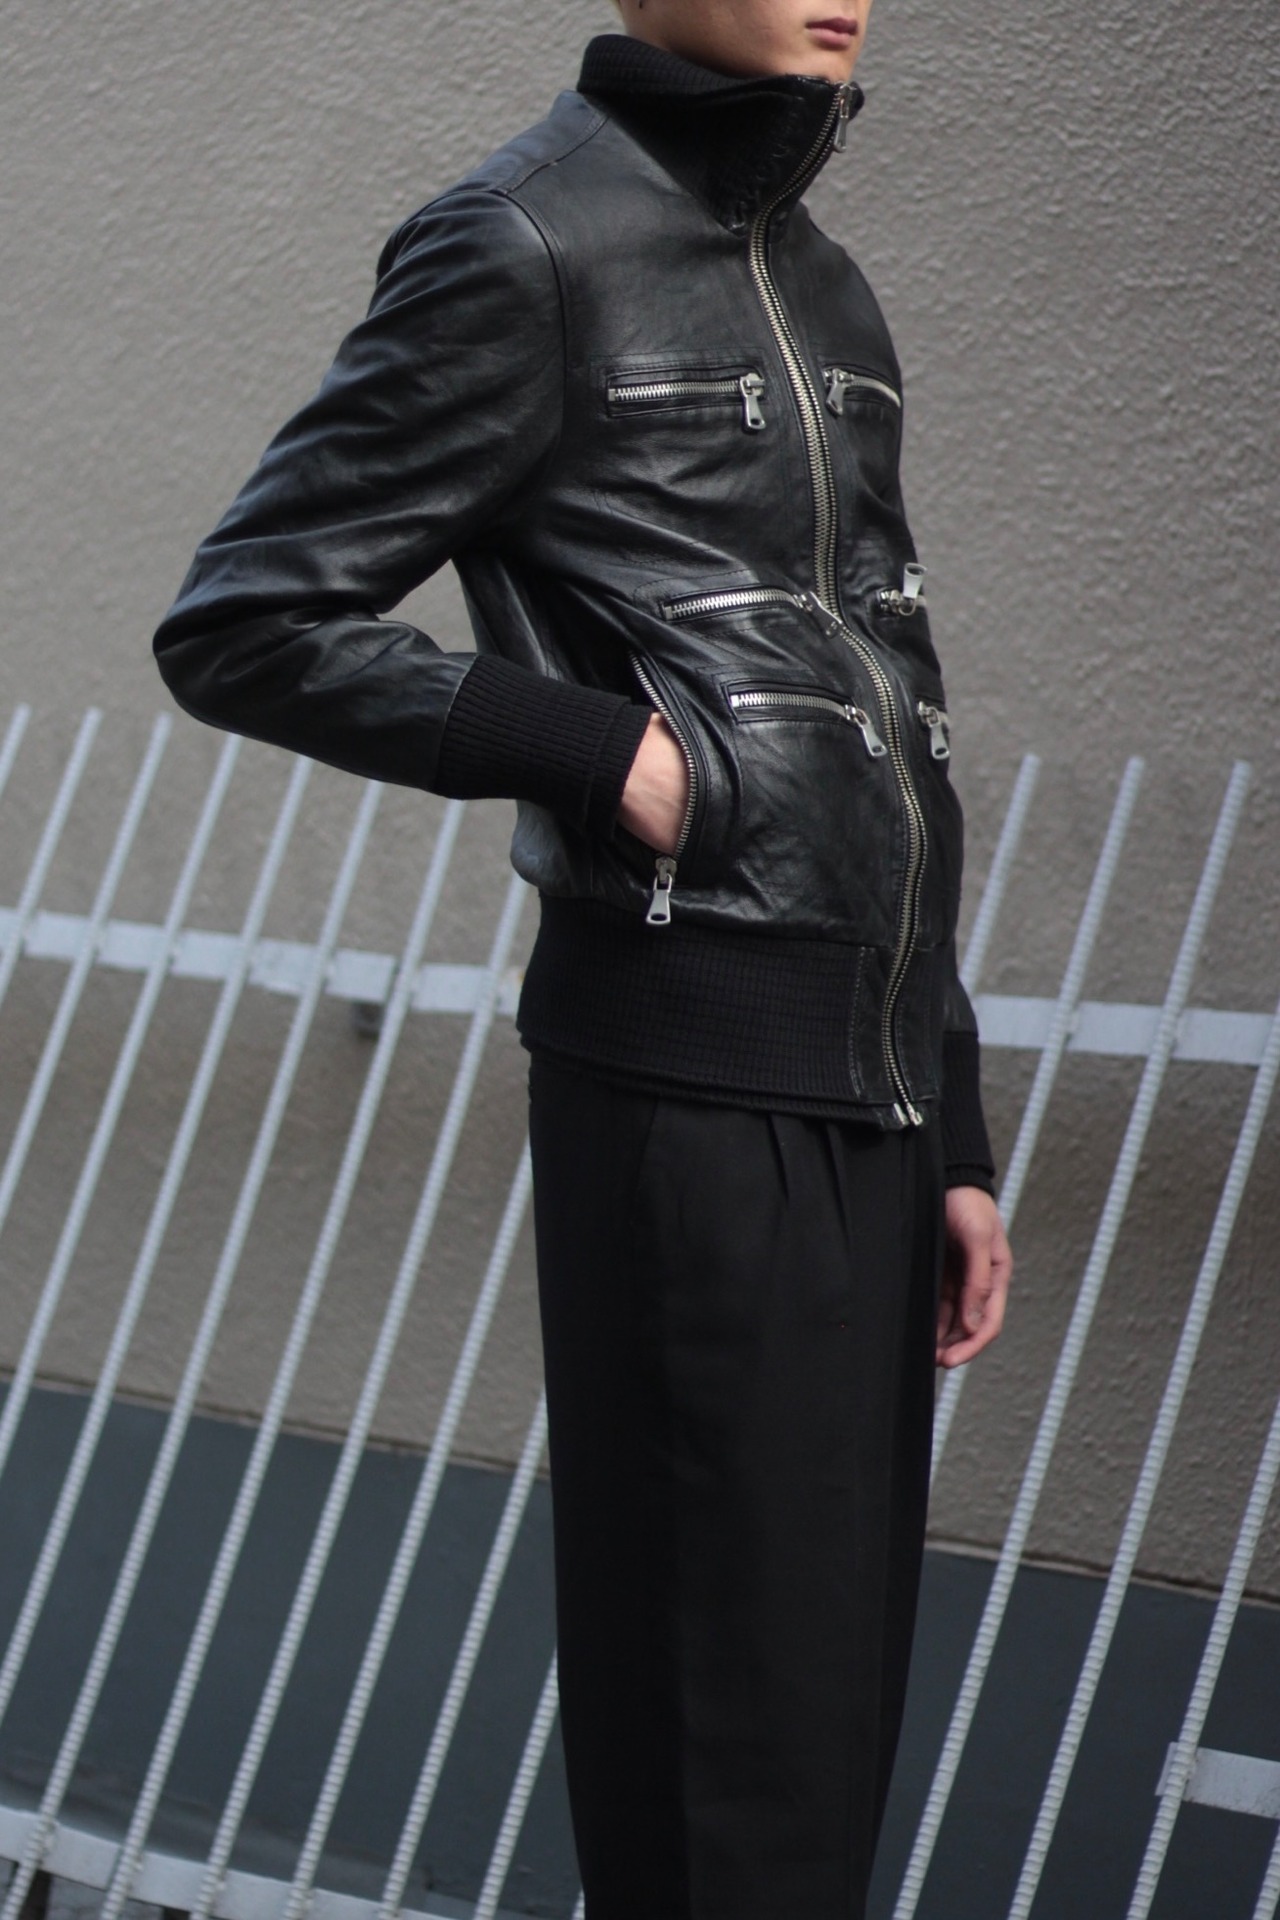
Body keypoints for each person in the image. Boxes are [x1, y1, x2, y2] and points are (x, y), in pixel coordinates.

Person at [153, 1, 1012, 1912]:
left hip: (865, 1098)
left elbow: (886, 704)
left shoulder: (830, 288)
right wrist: (612, 753)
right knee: (725, 1780)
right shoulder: (524, 243)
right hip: (690, 1088)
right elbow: (247, 617)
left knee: (818, 1757)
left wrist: (948, 1114)